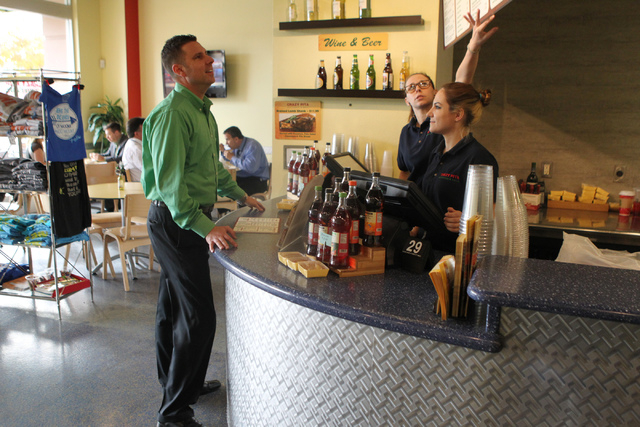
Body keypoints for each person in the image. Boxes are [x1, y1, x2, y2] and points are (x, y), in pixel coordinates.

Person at [141, 34, 264, 427]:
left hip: (186, 219)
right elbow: (171, 185)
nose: (210, 61)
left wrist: (242, 195)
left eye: (208, 56)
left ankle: (180, 384)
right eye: (199, 57)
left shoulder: (203, 111)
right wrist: (206, 228)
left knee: (171, 308)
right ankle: (174, 412)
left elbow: (212, 170)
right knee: (199, 316)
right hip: (176, 222)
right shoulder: (173, 114)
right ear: (179, 70)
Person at [398, 11, 498, 188]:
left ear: (435, 92)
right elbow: (404, 172)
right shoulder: (410, 134)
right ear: (407, 100)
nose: (418, 89)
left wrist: (472, 48)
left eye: (423, 84)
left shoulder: (441, 127)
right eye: (411, 87)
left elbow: (461, 82)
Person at [419, 82, 498, 252]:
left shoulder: (479, 158)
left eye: (437, 107)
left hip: (459, 257)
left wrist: (467, 220)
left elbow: (493, 216)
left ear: (458, 114)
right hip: (429, 252)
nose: (429, 113)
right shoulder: (436, 153)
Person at [221, 126, 270, 196]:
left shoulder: (252, 146)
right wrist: (223, 151)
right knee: (225, 184)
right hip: (246, 178)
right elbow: (230, 158)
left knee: (231, 190)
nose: (226, 143)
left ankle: (235, 203)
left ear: (236, 139)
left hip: (257, 181)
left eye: (227, 139)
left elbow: (250, 168)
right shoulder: (237, 147)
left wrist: (232, 157)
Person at [122, 117, 144, 181]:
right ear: (136, 133)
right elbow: (150, 169)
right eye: (145, 129)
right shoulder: (136, 149)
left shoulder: (131, 144)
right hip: (143, 185)